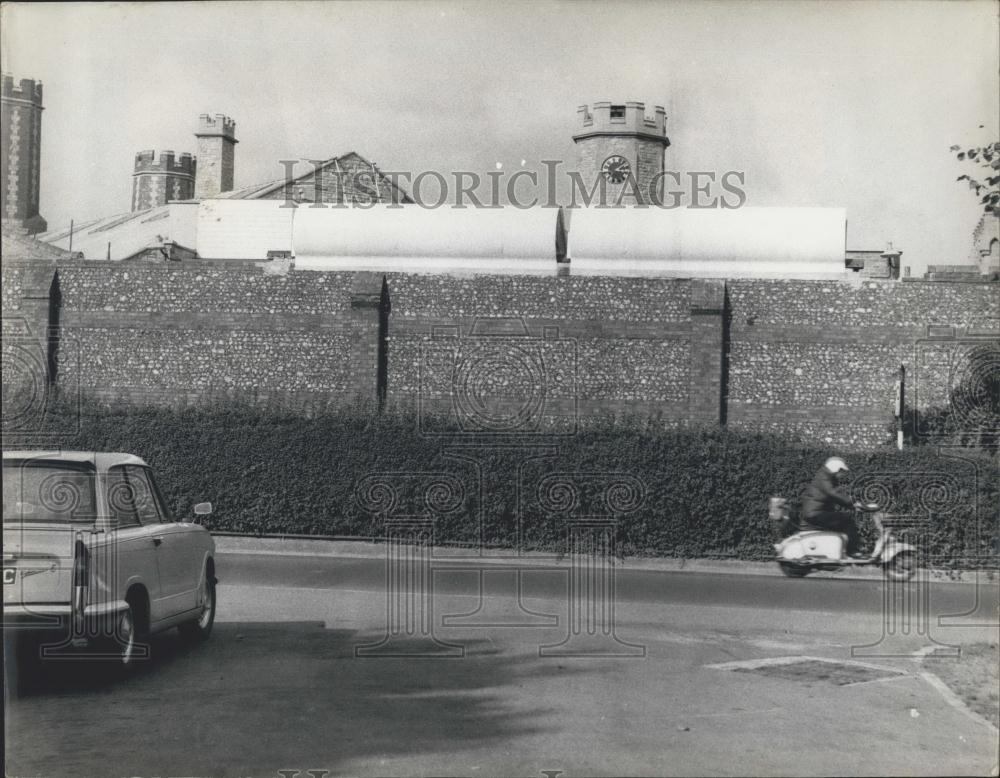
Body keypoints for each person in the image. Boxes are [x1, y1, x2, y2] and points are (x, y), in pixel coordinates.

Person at [799, 457, 864, 558]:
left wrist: (852, 506)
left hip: (816, 512)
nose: (841, 474)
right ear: (835, 468)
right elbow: (833, 493)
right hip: (815, 513)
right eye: (840, 470)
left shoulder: (827, 477)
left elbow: (836, 497)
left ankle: (840, 552)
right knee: (847, 520)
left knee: (841, 520)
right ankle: (853, 551)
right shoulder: (824, 477)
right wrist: (853, 502)